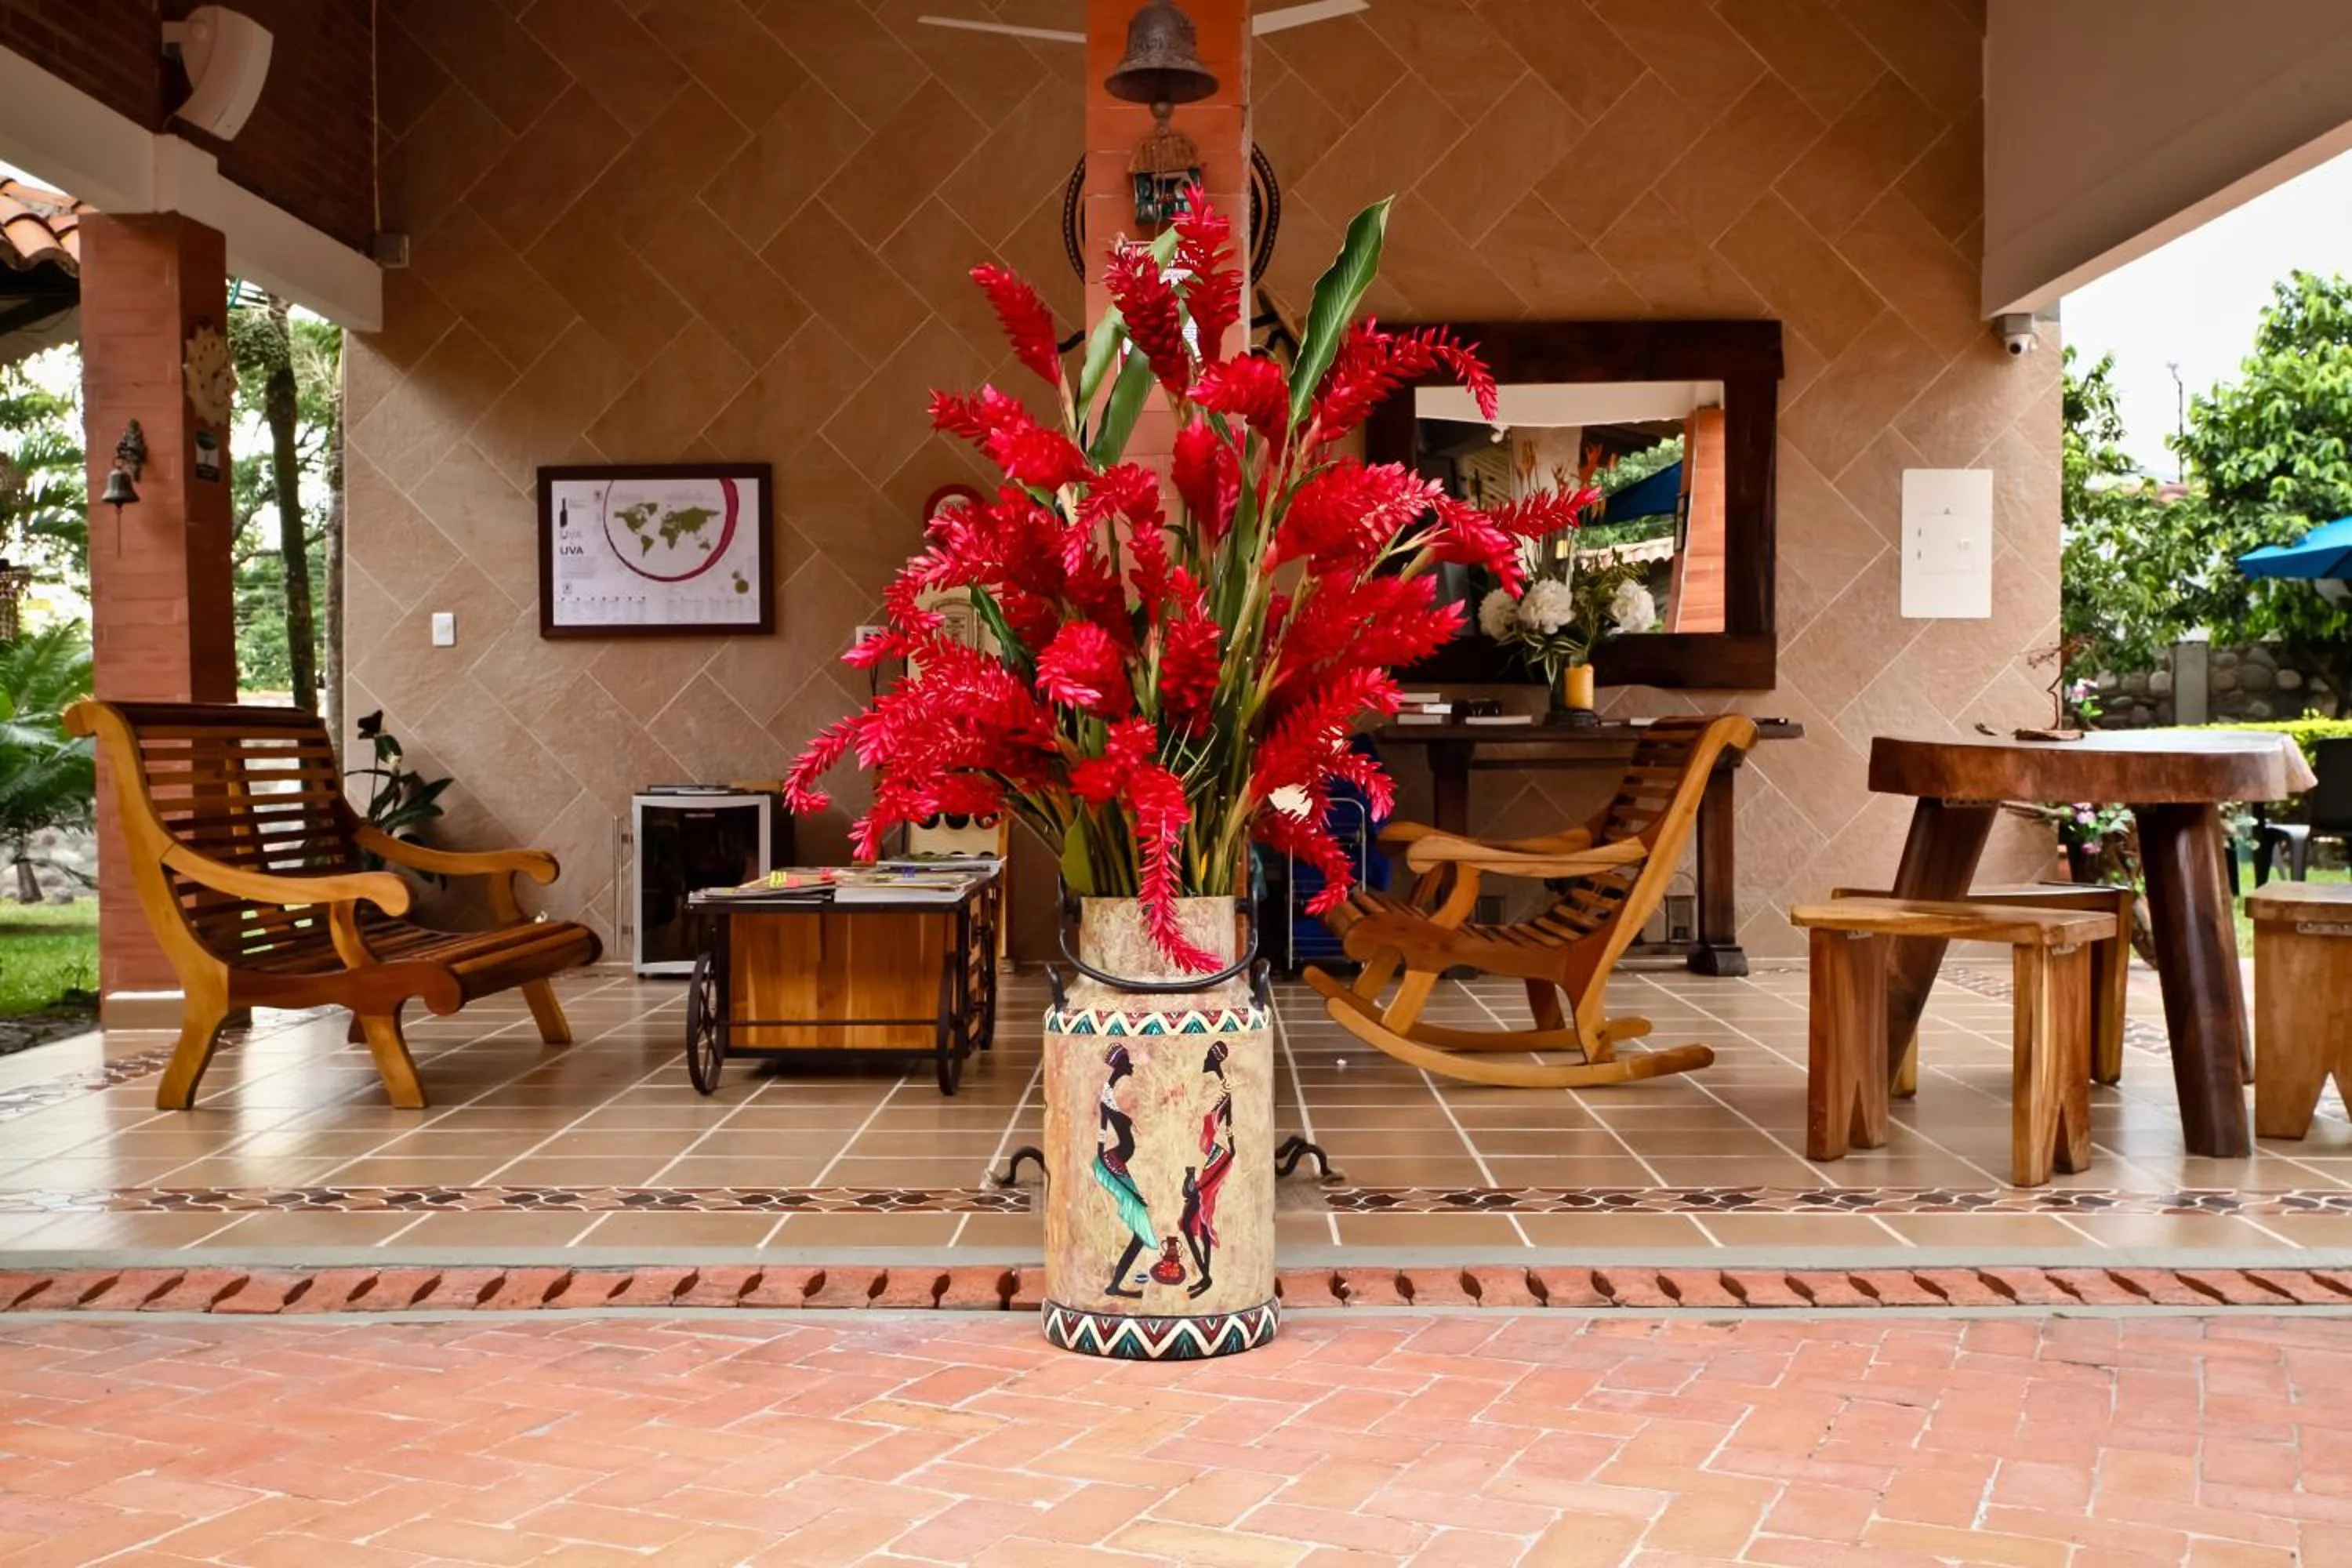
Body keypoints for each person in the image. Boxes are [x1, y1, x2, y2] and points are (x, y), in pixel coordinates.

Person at [1178, 1040, 1235, 1299]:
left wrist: (1224, 1156)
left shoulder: (1223, 1091)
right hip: (1210, 1159)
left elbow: (1228, 1132)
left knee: (1197, 1219)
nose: (1203, 1062)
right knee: (1197, 1221)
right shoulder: (1215, 1089)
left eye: (1207, 1059)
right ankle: (1205, 1275)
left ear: (1213, 1060)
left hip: (1216, 1160)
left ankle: (1206, 1276)